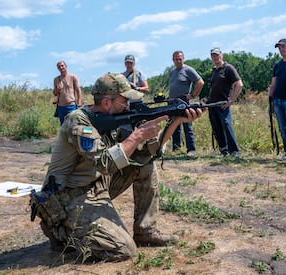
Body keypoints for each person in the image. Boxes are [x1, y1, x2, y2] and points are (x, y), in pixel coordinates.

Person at [32, 73, 203, 262]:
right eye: (125, 100)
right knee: (124, 250)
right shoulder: (78, 121)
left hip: (96, 186)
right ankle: (62, 232)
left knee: (144, 163)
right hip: (68, 197)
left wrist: (177, 120)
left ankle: (145, 231)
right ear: (106, 103)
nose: (128, 105)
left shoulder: (112, 116)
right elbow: (105, 163)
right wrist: (137, 136)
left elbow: (150, 151)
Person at [207, 47, 242, 157]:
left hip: (223, 103)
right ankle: (224, 151)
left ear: (222, 55)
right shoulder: (214, 70)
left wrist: (231, 100)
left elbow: (239, 84)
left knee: (227, 125)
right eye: (213, 55)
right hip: (212, 104)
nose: (216, 57)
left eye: (217, 55)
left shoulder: (228, 68)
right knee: (216, 127)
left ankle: (234, 151)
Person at [169, 50, 204, 157]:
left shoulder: (188, 70)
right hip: (172, 101)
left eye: (180, 59)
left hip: (183, 101)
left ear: (183, 59)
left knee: (187, 124)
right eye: (176, 59)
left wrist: (193, 95)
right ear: (173, 60)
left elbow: (200, 82)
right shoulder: (172, 72)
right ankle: (176, 148)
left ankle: (191, 149)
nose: (178, 61)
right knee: (174, 125)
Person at [53, 61, 83, 125]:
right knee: (63, 127)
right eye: (59, 66)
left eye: (62, 65)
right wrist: (57, 89)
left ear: (66, 66)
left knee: (73, 126)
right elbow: (55, 93)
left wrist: (79, 104)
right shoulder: (56, 79)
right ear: (57, 68)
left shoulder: (73, 77)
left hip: (71, 106)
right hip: (60, 107)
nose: (61, 67)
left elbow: (78, 91)